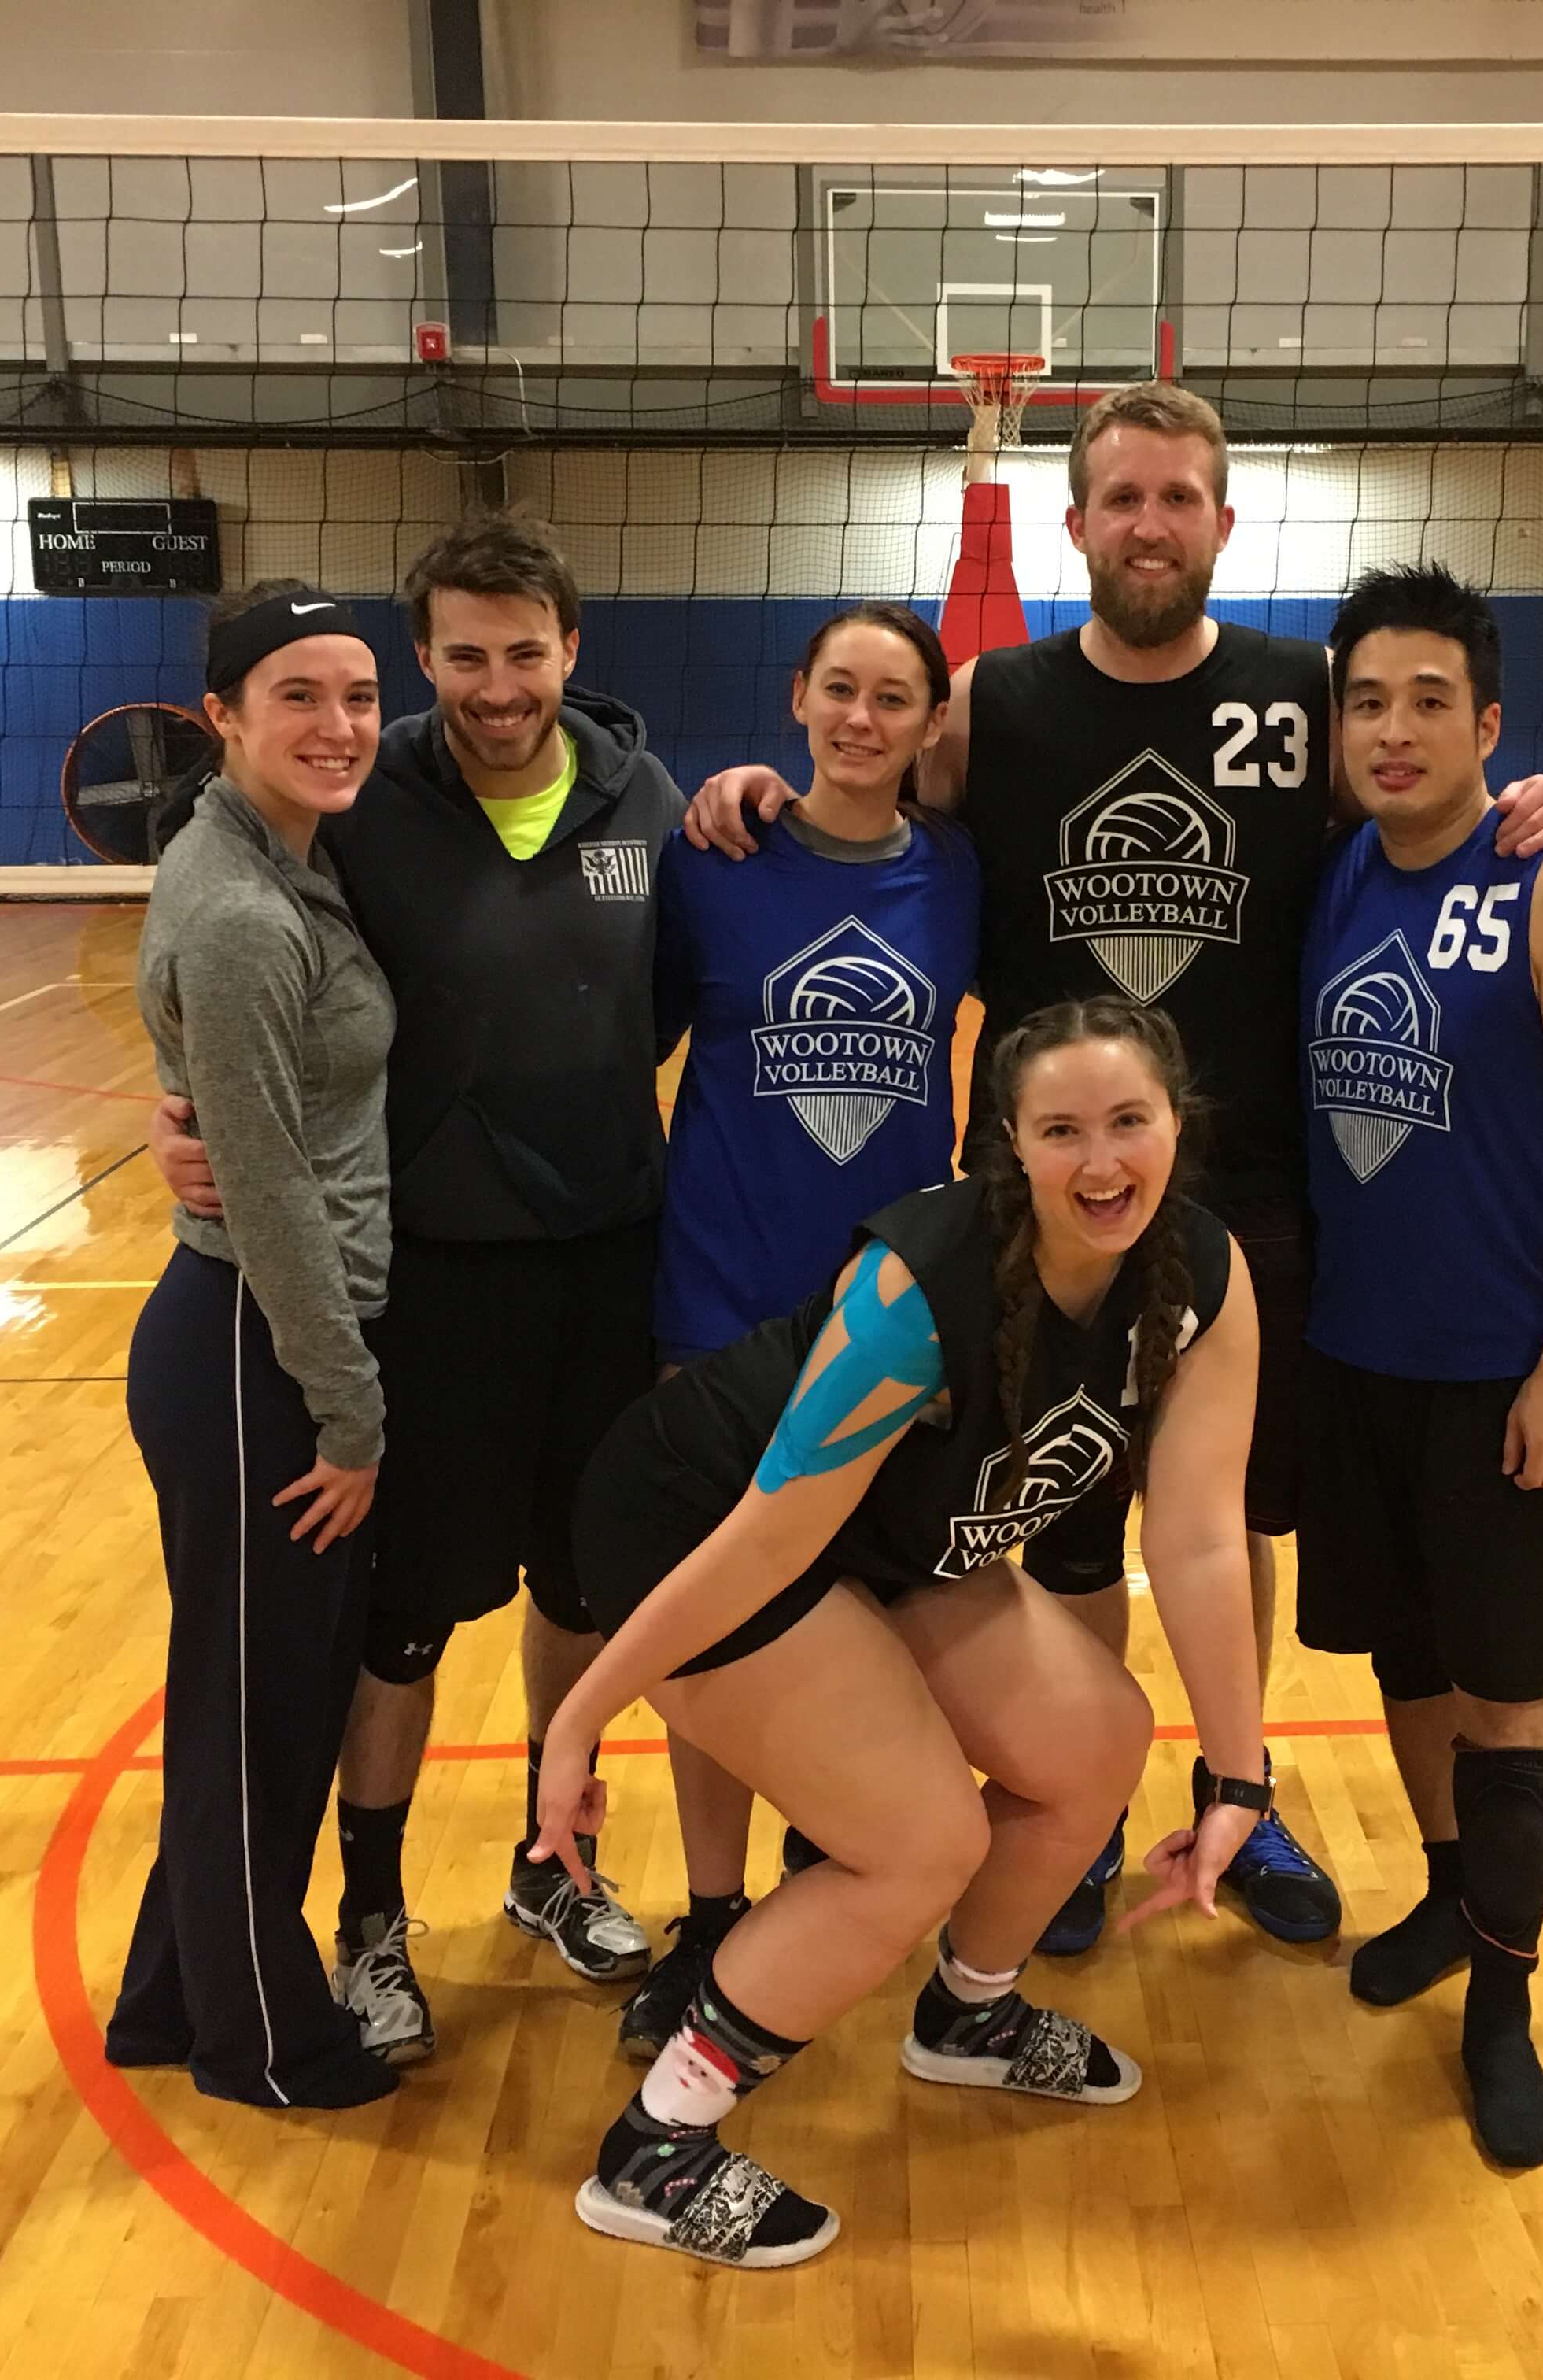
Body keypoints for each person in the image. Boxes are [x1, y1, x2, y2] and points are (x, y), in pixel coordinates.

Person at [688, 381, 1543, 1953]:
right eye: (1124, 498)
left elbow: (1424, 799)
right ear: (1078, 523)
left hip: (1247, 1192)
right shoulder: (993, 702)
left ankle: (1238, 1786)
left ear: (1224, 522)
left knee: (1227, 1507)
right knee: (1051, 1519)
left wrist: (1540, 800)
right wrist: (753, 798)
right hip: (1041, 1195)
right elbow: (865, 800)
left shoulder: (1304, 696)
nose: (1152, 524)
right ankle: (1082, 1800)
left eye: (1180, 497)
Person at [537, 1000, 1269, 2267]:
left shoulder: (1202, 1272)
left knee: (1100, 1742)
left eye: (1128, 1122)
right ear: (1009, 1146)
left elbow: (1200, 1538)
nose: (1102, 1163)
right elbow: (769, 1537)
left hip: (884, 1542)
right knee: (919, 1845)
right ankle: (654, 2150)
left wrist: (1239, 1777)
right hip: (693, 1524)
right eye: (1061, 1131)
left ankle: (968, 2016)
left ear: (1175, 1124)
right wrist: (580, 1719)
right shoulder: (916, 1289)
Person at [151, 515, 685, 2065]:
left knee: (582, 1592)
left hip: (610, 1256)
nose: (497, 684)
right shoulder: (362, 799)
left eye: (525, 651)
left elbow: (689, 992)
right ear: (425, 658)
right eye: (463, 655)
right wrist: (180, 1109)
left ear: (572, 649)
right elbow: (241, 976)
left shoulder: (648, 798)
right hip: (434, 1277)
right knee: (405, 1619)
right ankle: (373, 1912)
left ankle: (550, 1859)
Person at [1295, 563, 1543, 2170]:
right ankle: (1453, 1896)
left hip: (1505, 1377)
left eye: (1429, 701)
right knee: (1409, 1663)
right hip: (1353, 1363)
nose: (1395, 729)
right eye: (1368, 702)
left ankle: (1503, 2010)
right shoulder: (1337, 874)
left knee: (1510, 1702)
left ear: (1490, 725)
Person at [619, 602, 982, 2064]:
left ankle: (835, 1869)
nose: (861, 718)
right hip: (719, 1299)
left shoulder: (960, 870)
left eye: (893, 698)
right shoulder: (714, 859)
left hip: (890, 1314)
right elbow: (610, 1043)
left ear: (931, 725)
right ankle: (712, 1911)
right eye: (841, 688)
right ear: (798, 697)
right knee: (717, 1629)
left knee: (867, 1617)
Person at [102, 582, 401, 2110]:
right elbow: (269, 1191)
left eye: (360, 695)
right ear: (221, 714)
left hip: (264, 1339)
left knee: (262, 1697)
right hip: (253, 1349)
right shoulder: (237, 910)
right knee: (252, 1712)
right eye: (300, 695)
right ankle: (260, 2042)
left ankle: (171, 1997)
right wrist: (348, 1414)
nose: (340, 725)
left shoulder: (280, 852)